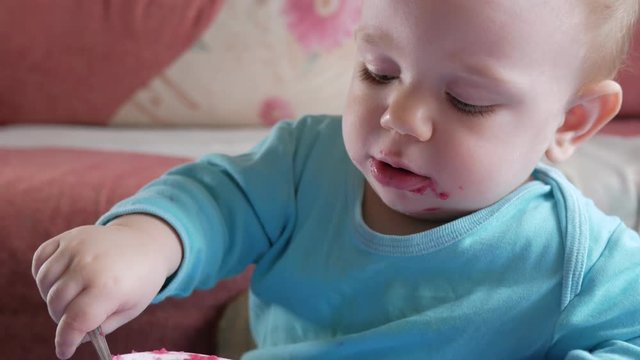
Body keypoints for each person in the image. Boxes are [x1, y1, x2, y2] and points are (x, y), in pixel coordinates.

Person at [33, 0, 640, 359]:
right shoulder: (306, 162)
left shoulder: (583, 261)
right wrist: (142, 244)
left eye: (466, 102)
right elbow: (216, 202)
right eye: (380, 72)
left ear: (571, 122)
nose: (398, 116)